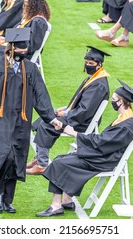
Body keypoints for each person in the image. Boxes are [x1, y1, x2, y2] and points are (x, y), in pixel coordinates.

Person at [0, 28, 62, 214]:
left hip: (22, 120)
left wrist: (51, 118)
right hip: (0, 120)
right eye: (19, 50)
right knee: (5, 156)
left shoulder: (31, 68)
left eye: (25, 50)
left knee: (17, 159)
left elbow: (40, 95)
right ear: (10, 48)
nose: (23, 53)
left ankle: (8, 199)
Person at [35, 80, 133, 217]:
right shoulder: (124, 118)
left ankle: (56, 206)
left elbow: (102, 142)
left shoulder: (126, 126)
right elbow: (103, 141)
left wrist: (74, 133)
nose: (112, 101)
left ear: (121, 102)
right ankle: (67, 201)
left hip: (104, 160)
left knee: (59, 163)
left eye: (114, 99)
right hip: (103, 155)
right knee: (62, 158)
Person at [26, 46, 111, 175]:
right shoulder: (93, 77)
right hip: (78, 115)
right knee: (47, 116)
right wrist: (64, 108)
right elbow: (79, 101)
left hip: (83, 121)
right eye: (87, 62)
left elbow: (85, 110)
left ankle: (42, 164)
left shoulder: (99, 84)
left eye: (91, 63)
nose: (87, 65)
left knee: (47, 124)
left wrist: (65, 113)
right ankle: (38, 158)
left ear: (99, 64)